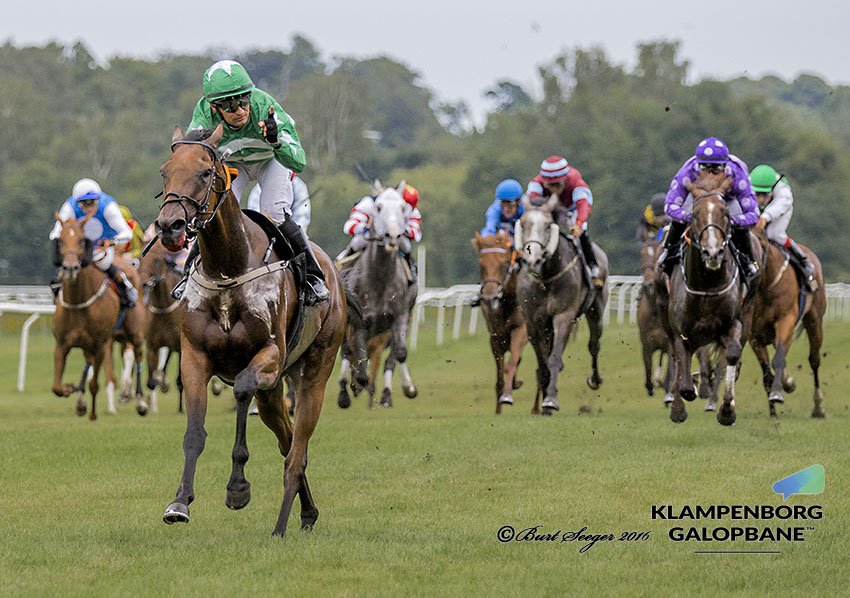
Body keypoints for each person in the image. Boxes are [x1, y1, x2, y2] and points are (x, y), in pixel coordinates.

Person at [173, 59, 328, 305]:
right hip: (235, 163)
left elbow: (299, 162)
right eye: (230, 105)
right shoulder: (202, 114)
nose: (240, 111)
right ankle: (189, 273)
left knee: (274, 212)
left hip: (270, 160)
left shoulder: (265, 106)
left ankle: (313, 275)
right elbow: (194, 159)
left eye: (244, 101)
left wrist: (276, 142)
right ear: (214, 107)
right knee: (212, 213)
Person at [660, 137, 760, 283]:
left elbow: (753, 214)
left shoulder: (737, 174)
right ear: (697, 165)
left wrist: (733, 221)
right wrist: (688, 217)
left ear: (725, 166)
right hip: (697, 199)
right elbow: (670, 206)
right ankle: (668, 254)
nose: (710, 175)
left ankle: (748, 261)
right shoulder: (688, 172)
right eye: (705, 168)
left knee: (741, 227)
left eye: (716, 169)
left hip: (727, 201)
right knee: (677, 220)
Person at [49, 178, 139, 308]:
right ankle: (58, 292)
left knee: (104, 263)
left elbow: (127, 233)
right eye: (84, 204)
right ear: (77, 202)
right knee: (67, 266)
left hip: (101, 248)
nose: (89, 207)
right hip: (79, 249)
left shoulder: (108, 207)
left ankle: (125, 288)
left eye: (93, 202)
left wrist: (111, 242)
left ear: (98, 199)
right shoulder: (69, 207)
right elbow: (54, 234)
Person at [527, 155, 603, 288]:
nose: (554, 189)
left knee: (580, 230)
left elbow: (582, 206)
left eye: (557, 184)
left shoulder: (576, 183)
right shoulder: (536, 183)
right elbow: (532, 204)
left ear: (565, 180)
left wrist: (578, 224)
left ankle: (592, 266)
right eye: (550, 185)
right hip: (549, 208)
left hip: (572, 209)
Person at [749, 164, 818, 292]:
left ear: (772, 189)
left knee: (774, 234)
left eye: (763, 194)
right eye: (756, 194)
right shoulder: (748, 183)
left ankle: (803, 261)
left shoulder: (784, 192)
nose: (759, 199)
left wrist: (765, 217)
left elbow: (778, 207)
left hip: (780, 211)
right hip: (760, 212)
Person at [337, 183, 422, 283]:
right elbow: (350, 225)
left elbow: (415, 232)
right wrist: (366, 228)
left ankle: (411, 271)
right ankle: (342, 268)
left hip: (396, 238)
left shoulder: (412, 210)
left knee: (406, 246)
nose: (411, 211)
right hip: (370, 237)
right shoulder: (369, 203)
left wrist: (402, 231)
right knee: (356, 243)